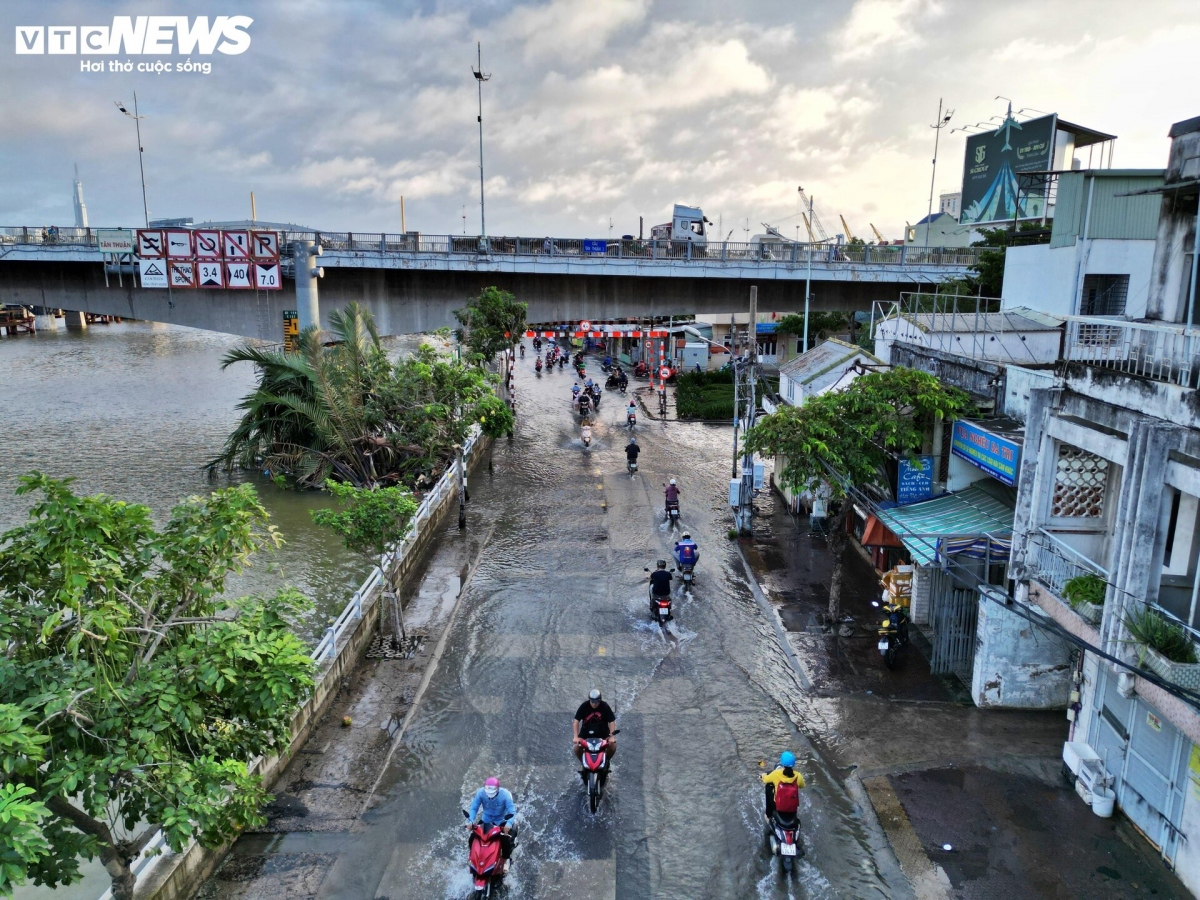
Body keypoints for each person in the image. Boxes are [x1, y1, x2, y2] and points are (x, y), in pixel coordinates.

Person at [467, 776, 517, 871]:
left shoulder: (505, 795)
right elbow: (474, 808)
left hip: (501, 821)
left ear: (497, 790)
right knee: (472, 839)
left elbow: (512, 811)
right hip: (486, 820)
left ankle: (506, 859)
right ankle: (473, 858)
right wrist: (470, 821)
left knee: (505, 839)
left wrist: (508, 824)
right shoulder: (481, 793)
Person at [573, 689, 617, 763]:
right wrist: (575, 737)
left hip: (603, 735)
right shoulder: (584, 706)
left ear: (599, 700)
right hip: (585, 735)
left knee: (613, 746)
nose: (594, 704)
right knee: (577, 747)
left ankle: (607, 760)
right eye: (592, 702)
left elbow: (611, 721)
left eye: (596, 702)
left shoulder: (605, 706)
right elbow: (576, 721)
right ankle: (583, 762)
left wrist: (612, 737)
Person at [761, 751, 805, 825]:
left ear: (782, 762)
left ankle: (768, 815)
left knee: (768, 787)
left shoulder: (776, 773)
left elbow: (766, 780)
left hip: (777, 806)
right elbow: (803, 786)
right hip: (792, 809)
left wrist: (763, 775)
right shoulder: (798, 776)